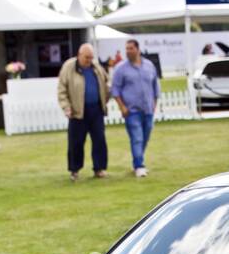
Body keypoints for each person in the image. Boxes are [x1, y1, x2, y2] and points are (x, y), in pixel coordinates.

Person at [57, 43, 109, 181]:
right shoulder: (69, 67)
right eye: (86, 57)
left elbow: (106, 83)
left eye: (91, 57)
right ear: (79, 55)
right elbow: (62, 90)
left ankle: (99, 168)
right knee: (76, 142)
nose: (89, 60)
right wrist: (66, 106)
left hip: (96, 110)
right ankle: (74, 170)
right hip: (77, 111)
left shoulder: (96, 67)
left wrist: (106, 97)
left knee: (99, 139)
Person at [110, 38, 160, 178]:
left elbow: (155, 86)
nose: (128, 51)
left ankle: (137, 161)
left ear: (138, 49)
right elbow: (115, 90)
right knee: (137, 138)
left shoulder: (149, 65)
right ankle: (139, 166)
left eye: (131, 48)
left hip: (148, 110)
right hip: (131, 111)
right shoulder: (121, 68)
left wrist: (154, 104)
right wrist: (122, 107)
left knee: (145, 137)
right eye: (126, 48)